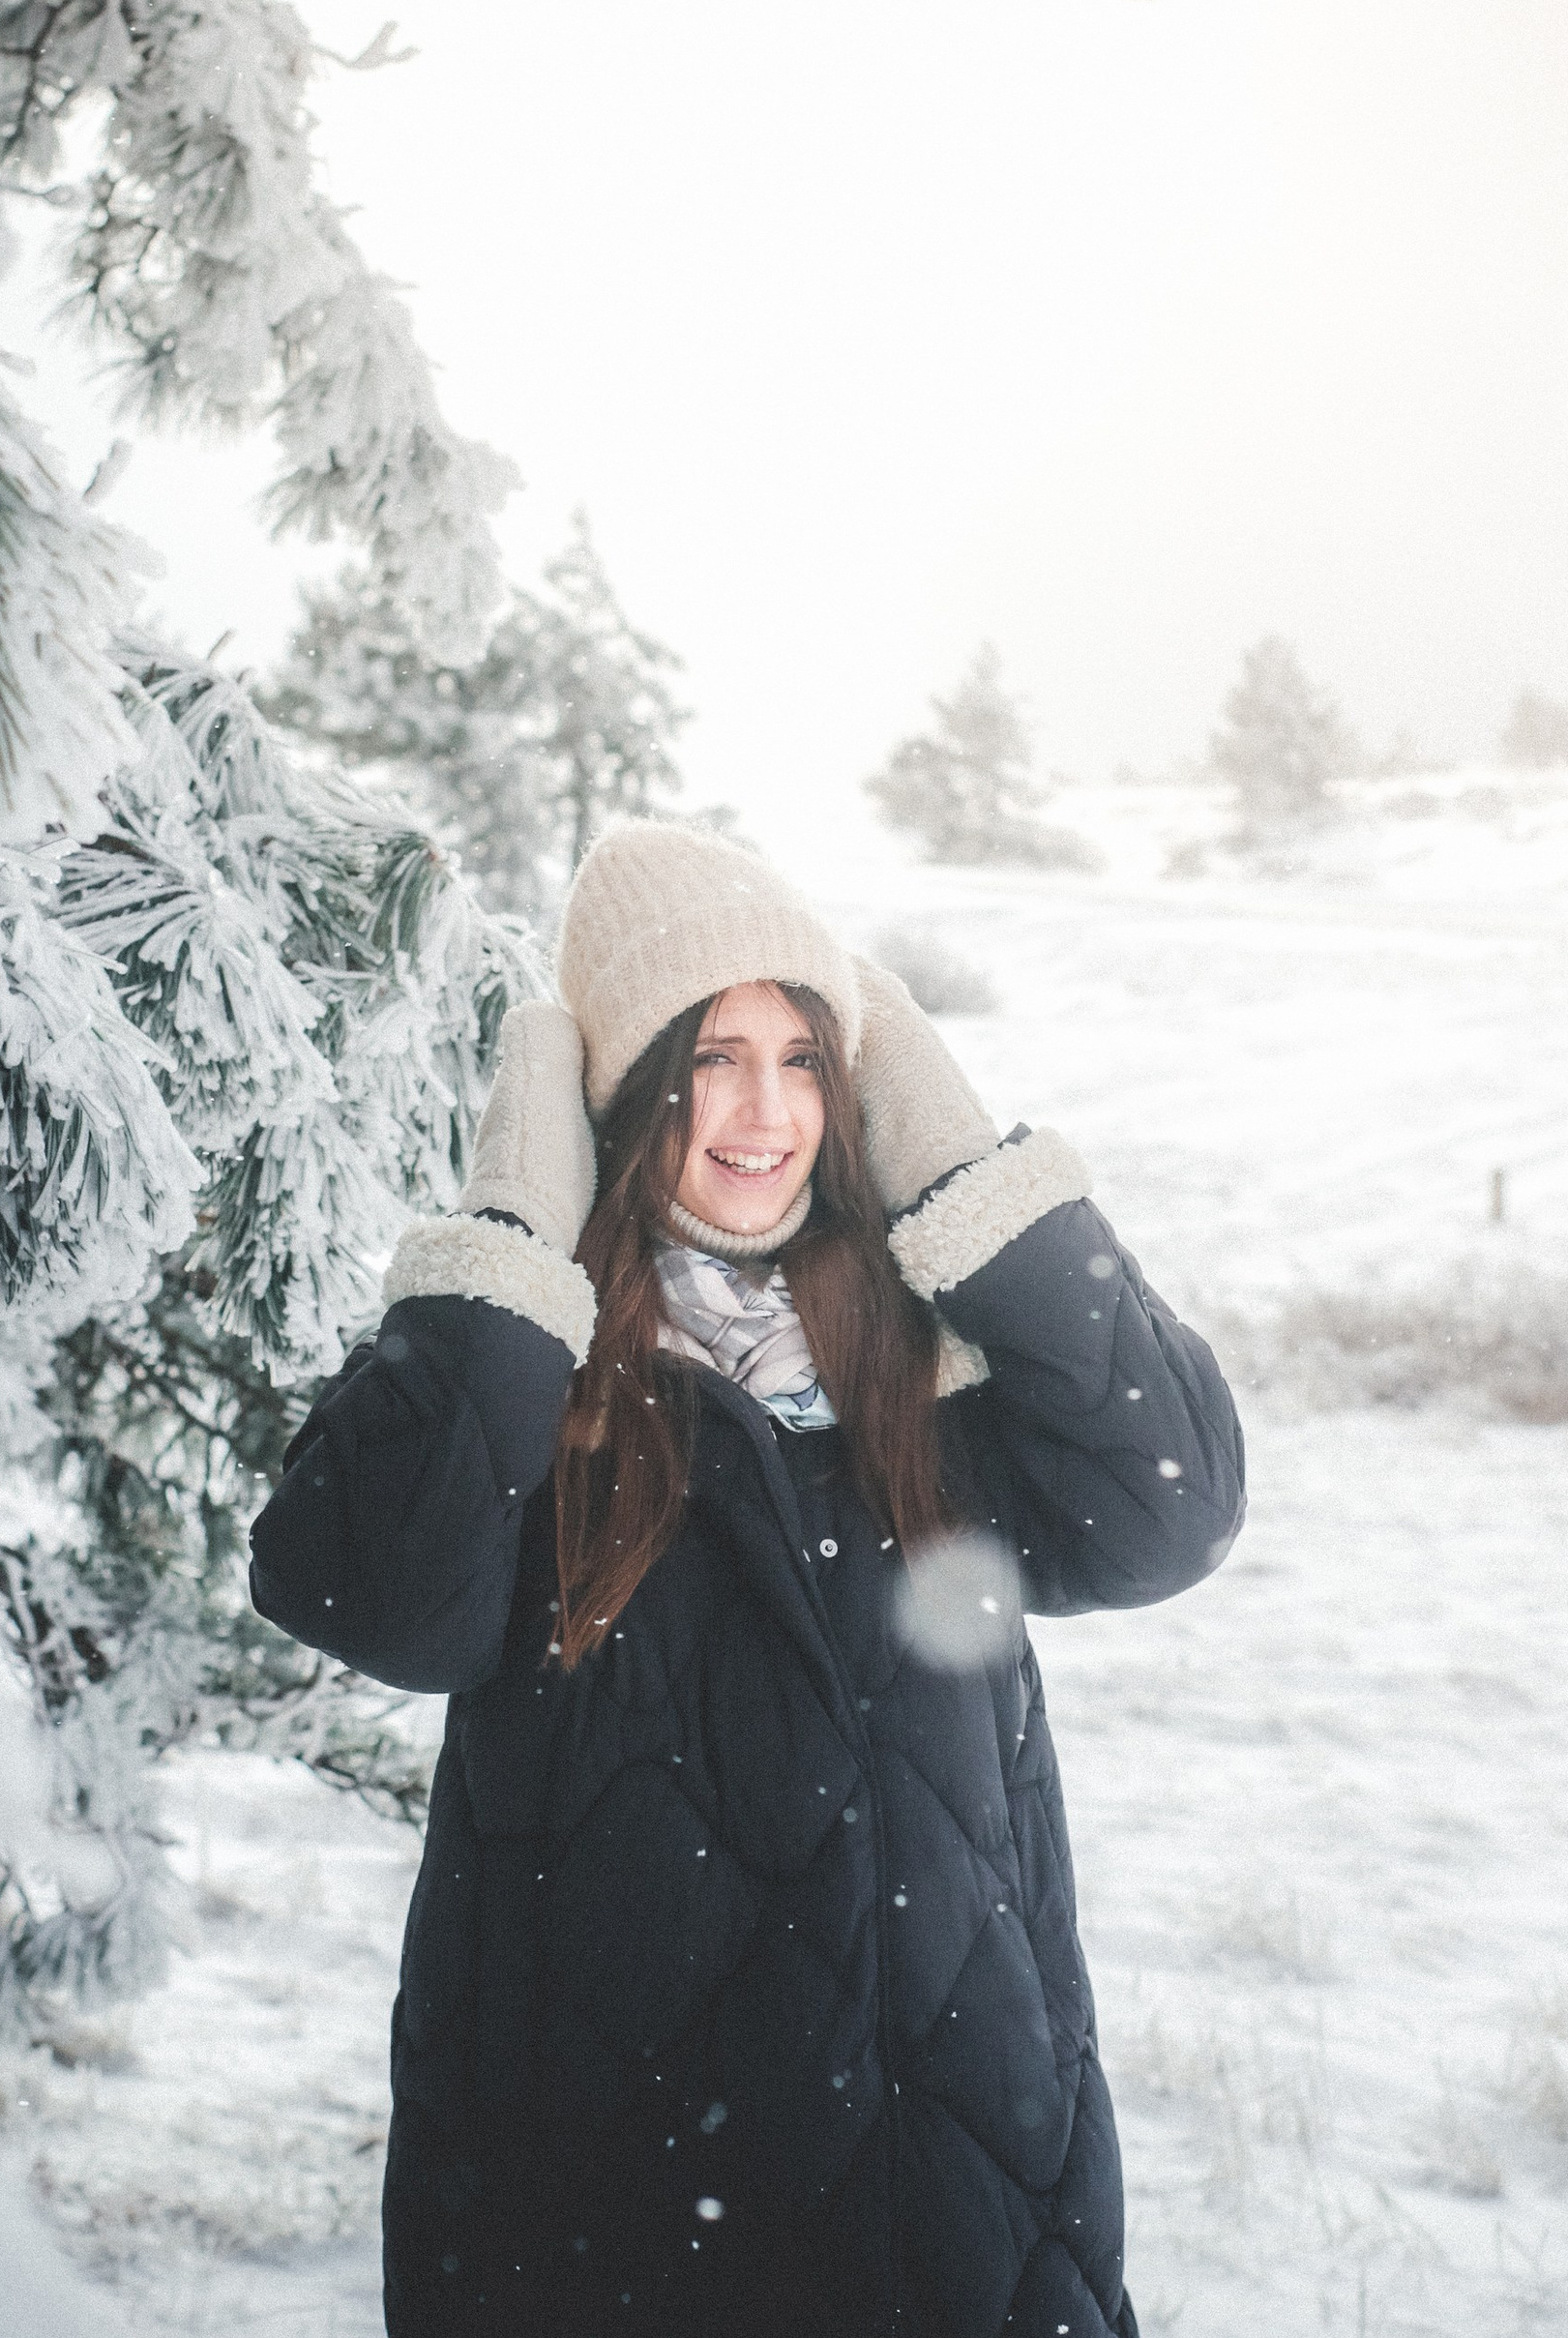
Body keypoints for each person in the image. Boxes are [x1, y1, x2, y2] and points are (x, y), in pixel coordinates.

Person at [250, 824, 1245, 2338]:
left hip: (959, 2181)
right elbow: (379, 1594)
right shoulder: (528, 1366)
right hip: (612, 2211)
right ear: (627, 1090)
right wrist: (518, 1236)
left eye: (806, 1057)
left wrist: (965, 1165)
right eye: (714, 1057)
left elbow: (1167, 1507)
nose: (766, 1112)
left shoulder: (929, 1357)